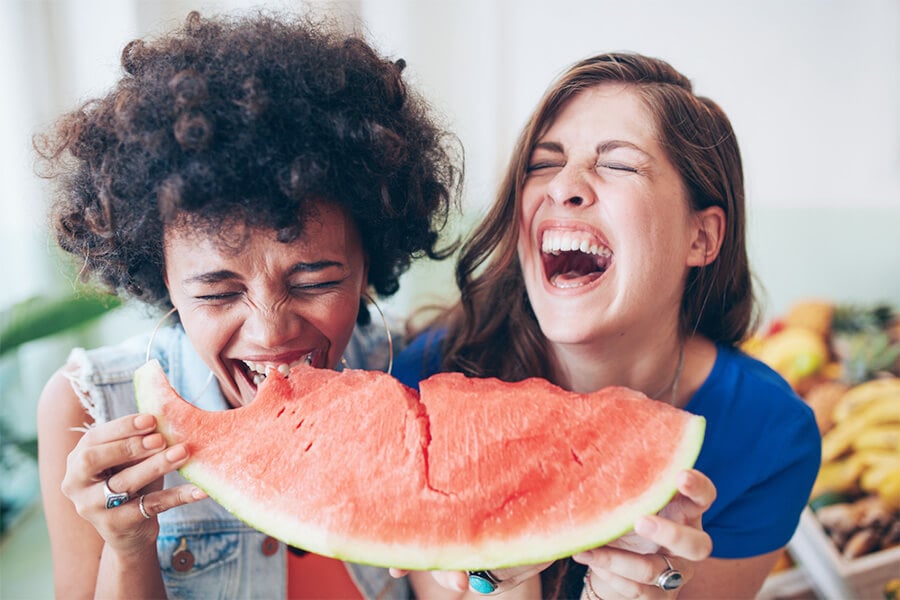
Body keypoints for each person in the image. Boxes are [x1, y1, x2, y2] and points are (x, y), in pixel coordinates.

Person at [35, 11, 460, 599]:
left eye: (313, 281)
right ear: (161, 276)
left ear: (368, 262)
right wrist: (128, 548)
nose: (269, 332)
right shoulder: (88, 405)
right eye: (217, 292)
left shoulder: (414, 383)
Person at [391, 52, 821, 598]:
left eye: (618, 164)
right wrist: (489, 575)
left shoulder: (771, 436)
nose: (563, 186)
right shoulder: (429, 387)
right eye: (544, 163)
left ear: (701, 238)